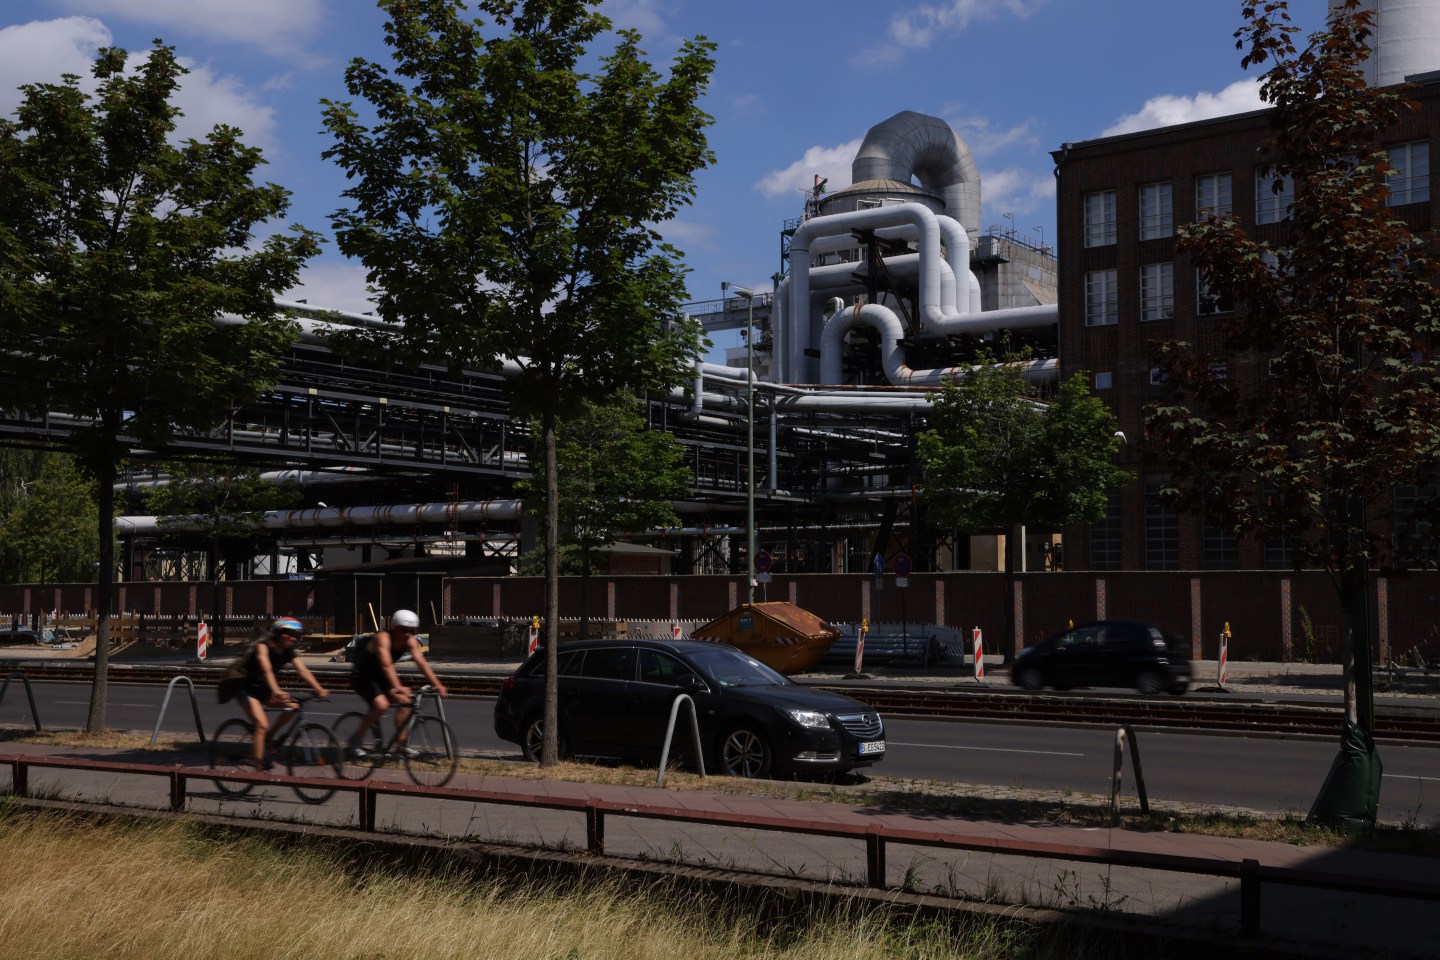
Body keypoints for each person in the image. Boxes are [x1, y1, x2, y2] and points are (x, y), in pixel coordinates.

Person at [216, 617, 329, 769]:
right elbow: (266, 669)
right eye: (289, 634)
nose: (293, 638)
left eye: (296, 635)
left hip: (265, 690)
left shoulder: (288, 651)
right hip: (247, 689)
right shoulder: (263, 647)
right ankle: (257, 768)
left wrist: (318, 688)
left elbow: (302, 670)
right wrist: (276, 690)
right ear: (278, 633)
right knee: (261, 725)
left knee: (294, 707)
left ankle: (270, 736)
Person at [344, 609, 448, 758]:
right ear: (395, 628)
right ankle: (355, 741)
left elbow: (422, 664)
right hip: (363, 676)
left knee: (405, 701)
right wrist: (398, 686)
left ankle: (401, 746)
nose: (408, 634)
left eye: (412, 631)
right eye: (404, 630)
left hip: (381, 677)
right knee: (382, 705)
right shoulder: (383, 638)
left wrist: (437, 684)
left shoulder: (410, 641)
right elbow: (386, 665)